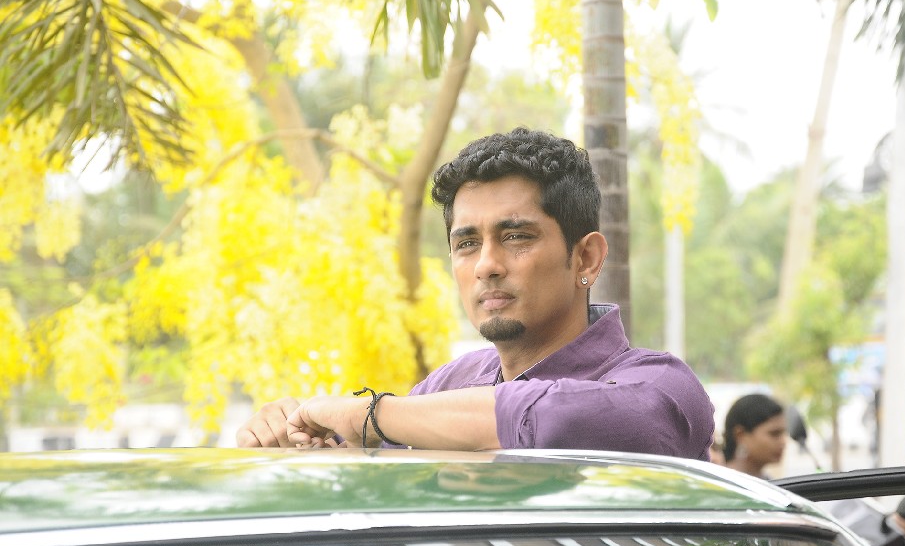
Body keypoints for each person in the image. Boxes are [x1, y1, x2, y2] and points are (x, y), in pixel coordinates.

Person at [236, 127, 715, 458]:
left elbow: (558, 420)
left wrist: (369, 413)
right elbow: (361, 470)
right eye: (466, 244)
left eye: (516, 236)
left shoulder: (660, 388)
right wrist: (291, 434)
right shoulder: (451, 385)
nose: (486, 265)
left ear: (586, 258)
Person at [721, 393, 788, 478]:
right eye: (774, 434)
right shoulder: (721, 481)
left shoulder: (766, 480)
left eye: (783, 433)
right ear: (740, 435)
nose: (783, 442)